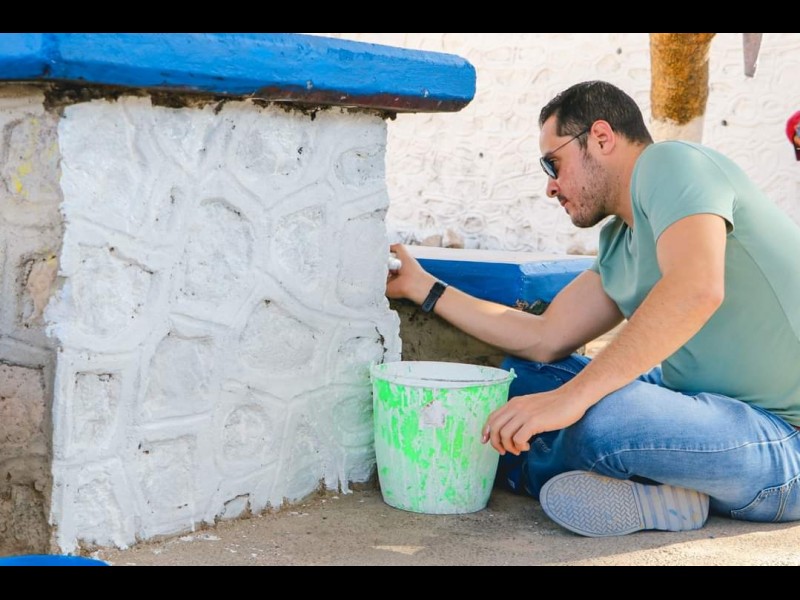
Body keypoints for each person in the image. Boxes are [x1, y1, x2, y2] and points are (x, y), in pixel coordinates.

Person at [386, 80, 800, 537]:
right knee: (520, 378)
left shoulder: (673, 163)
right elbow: (544, 338)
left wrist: (570, 401)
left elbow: (696, 289)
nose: (550, 187)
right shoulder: (619, 241)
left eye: (553, 163)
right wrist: (422, 287)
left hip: (783, 443)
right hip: (697, 413)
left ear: (601, 137)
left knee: (607, 418)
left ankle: (525, 468)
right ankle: (668, 495)